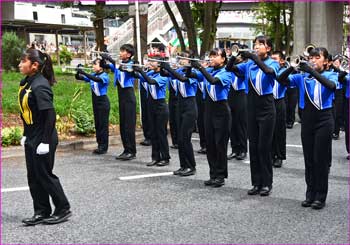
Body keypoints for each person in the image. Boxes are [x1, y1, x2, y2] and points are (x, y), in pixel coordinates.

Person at [277, 47, 338, 209]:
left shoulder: (331, 74)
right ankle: (310, 193)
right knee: (309, 159)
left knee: (321, 159)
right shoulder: (302, 77)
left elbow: (331, 86)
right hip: (308, 121)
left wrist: (312, 72)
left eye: (317, 57)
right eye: (311, 58)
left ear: (325, 61)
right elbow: (280, 80)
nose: (313, 60)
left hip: (324, 119)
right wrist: (291, 67)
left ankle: (320, 195)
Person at [18, 49, 71, 225]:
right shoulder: (27, 83)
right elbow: (27, 112)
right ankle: (41, 211)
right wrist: (26, 134)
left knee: (44, 174)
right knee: (33, 175)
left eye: (23, 61)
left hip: (43, 136)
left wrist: (45, 142)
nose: (20, 65)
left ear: (34, 65)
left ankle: (63, 208)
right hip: (33, 134)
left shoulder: (40, 85)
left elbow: (49, 115)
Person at [227, 36, 279, 196]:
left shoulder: (273, 63)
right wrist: (234, 56)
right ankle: (256, 182)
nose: (256, 48)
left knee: (264, 147)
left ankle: (267, 183)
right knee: (254, 146)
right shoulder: (248, 64)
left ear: (268, 48)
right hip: (251, 107)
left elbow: (270, 72)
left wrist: (255, 59)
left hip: (266, 107)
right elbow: (230, 69)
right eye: (255, 45)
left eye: (260, 45)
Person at [190, 48, 232, 187]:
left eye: (215, 56)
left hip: (221, 110)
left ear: (223, 59)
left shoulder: (226, 72)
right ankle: (213, 173)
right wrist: (189, 66)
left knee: (220, 144)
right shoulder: (210, 71)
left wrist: (201, 68)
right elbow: (193, 76)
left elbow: (213, 81)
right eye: (211, 56)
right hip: (208, 109)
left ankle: (220, 175)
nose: (212, 58)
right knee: (210, 144)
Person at [160, 51, 198, 176]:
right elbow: (164, 74)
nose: (181, 60)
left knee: (185, 137)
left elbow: (183, 79)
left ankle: (191, 166)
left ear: (189, 61)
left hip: (190, 105)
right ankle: (183, 165)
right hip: (180, 104)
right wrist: (163, 65)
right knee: (180, 138)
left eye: (184, 58)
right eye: (180, 58)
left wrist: (170, 69)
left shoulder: (192, 73)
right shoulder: (179, 71)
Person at [134, 56, 171, 167]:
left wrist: (141, 71)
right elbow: (138, 76)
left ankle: (165, 157)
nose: (149, 63)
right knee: (153, 132)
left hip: (160, 105)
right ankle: (155, 157)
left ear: (159, 64)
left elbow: (150, 82)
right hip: (151, 104)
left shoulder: (163, 76)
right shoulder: (151, 73)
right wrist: (134, 68)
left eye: (152, 62)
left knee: (161, 133)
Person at [101, 44, 137, 161]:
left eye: (123, 51)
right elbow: (106, 66)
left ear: (129, 54)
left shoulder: (131, 64)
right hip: (121, 95)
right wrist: (103, 57)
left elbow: (122, 67)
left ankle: (131, 150)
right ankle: (126, 149)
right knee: (123, 124)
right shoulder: (118, 64)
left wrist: (111, 58)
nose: (120, 53)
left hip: (129, 95)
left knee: (129, 125)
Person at [75, 59, 110, 154]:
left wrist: (85, 73)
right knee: (98, 124)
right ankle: (99, 144)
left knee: (103, 125)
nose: (93, 66)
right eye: (93, 64)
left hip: (103, 102)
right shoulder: (93, 75)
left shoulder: (105, 76)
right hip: (95, 101)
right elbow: (79, 77)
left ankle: (104, 146)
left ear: (102, 66)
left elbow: (97, 80)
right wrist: (78, 71)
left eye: (95, 64)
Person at [226, 46, 248, 161]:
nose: (236, 57)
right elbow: (228, 68)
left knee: (241, 124)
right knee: (232, 124)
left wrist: (234, 63)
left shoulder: (244, 67)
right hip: (231, 94)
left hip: (241, 94)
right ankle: (234, 149)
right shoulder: (232, 65)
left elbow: (240, 75)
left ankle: (243, 149)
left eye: (238, 55)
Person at [271, 51, 288, 168]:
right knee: (269, 130)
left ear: (281, 61)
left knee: (279, 130)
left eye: (275, 59)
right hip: (268, 102)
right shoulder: (268, 70)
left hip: (279, 102)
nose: (272, 61)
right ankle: (271, 154)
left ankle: (279, 156)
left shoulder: (283, 71)